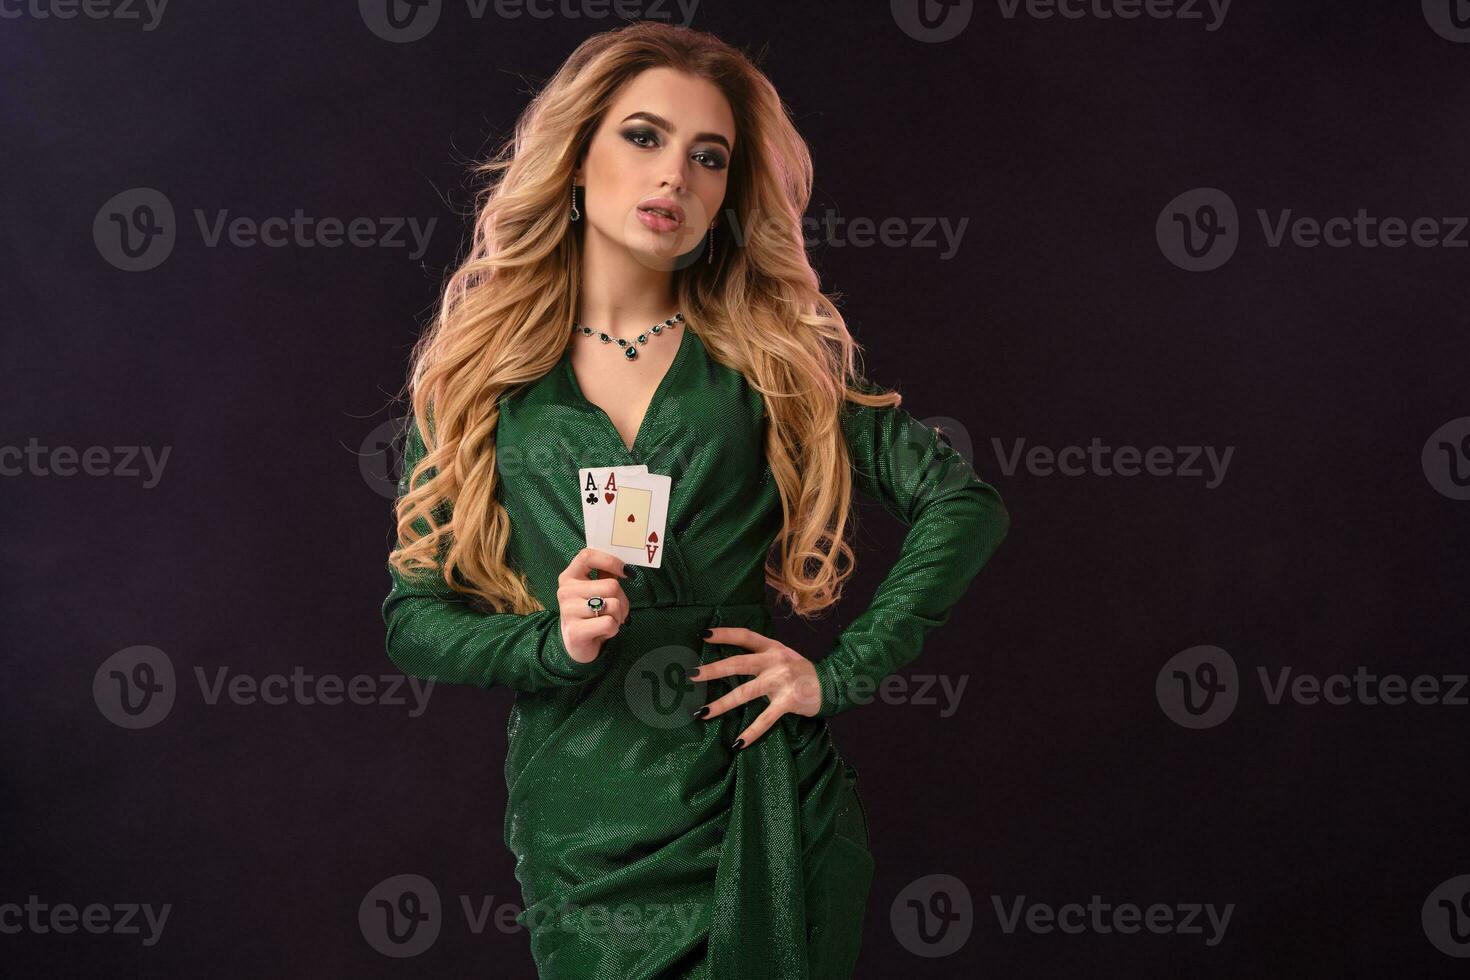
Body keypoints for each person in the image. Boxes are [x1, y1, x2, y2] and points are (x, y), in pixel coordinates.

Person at [381, 21, 1009, 979]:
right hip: (582, 821)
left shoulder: (768, 366)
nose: (674, 175)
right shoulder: (478, 381)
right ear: (577, 156)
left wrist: (836, 675)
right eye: (643, 137)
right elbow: (412, 622)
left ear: (727, 194)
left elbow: (961, 504)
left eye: (707, 156)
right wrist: (550, 642)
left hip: (754, 794)